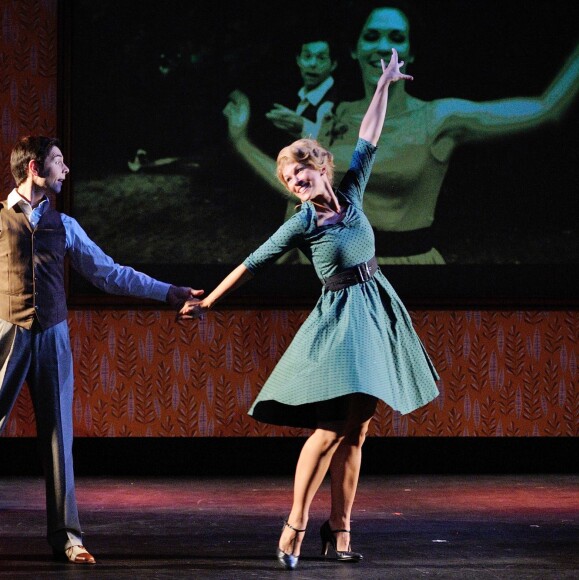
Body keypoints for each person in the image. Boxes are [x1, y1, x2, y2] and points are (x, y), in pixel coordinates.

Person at [179, 49, 439, 570]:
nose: (296, 185)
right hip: (340, 322)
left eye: (301, 174)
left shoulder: (352, 195)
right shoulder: (303, 224)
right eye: (289, 181)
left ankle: (339, 531)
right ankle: (294, 525)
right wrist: (208, 300)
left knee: (360, 428)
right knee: (331, 428)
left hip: (377, 311)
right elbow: (253, 262)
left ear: (321, 168)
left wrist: (384, 85)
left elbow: (369, 136)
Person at [223, 2, 579, 264]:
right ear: (354, 49)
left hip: (411, 276)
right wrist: (240, 138)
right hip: (334, 276)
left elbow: (546, 109)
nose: (383, 45)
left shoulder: (440, 117)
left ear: (411, 52)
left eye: (396, 37)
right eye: (371, 35)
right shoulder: (336, 116)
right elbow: (300, 201)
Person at [0, 136, 203, 565]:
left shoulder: (66, 226)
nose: (66, 169)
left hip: (52, 334)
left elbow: (110, 274)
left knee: (59, 437)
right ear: (35, 167)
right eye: (58, 161)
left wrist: (168, 293)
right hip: (7, 334)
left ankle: (68, 536)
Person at [265, 38, 338, 140]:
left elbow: (338, 147)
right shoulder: (292, 93)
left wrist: (302, 125)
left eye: (321, 58)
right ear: (298, 60)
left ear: (333, 64)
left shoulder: (342, 101)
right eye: (307, 56)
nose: (312, 64)